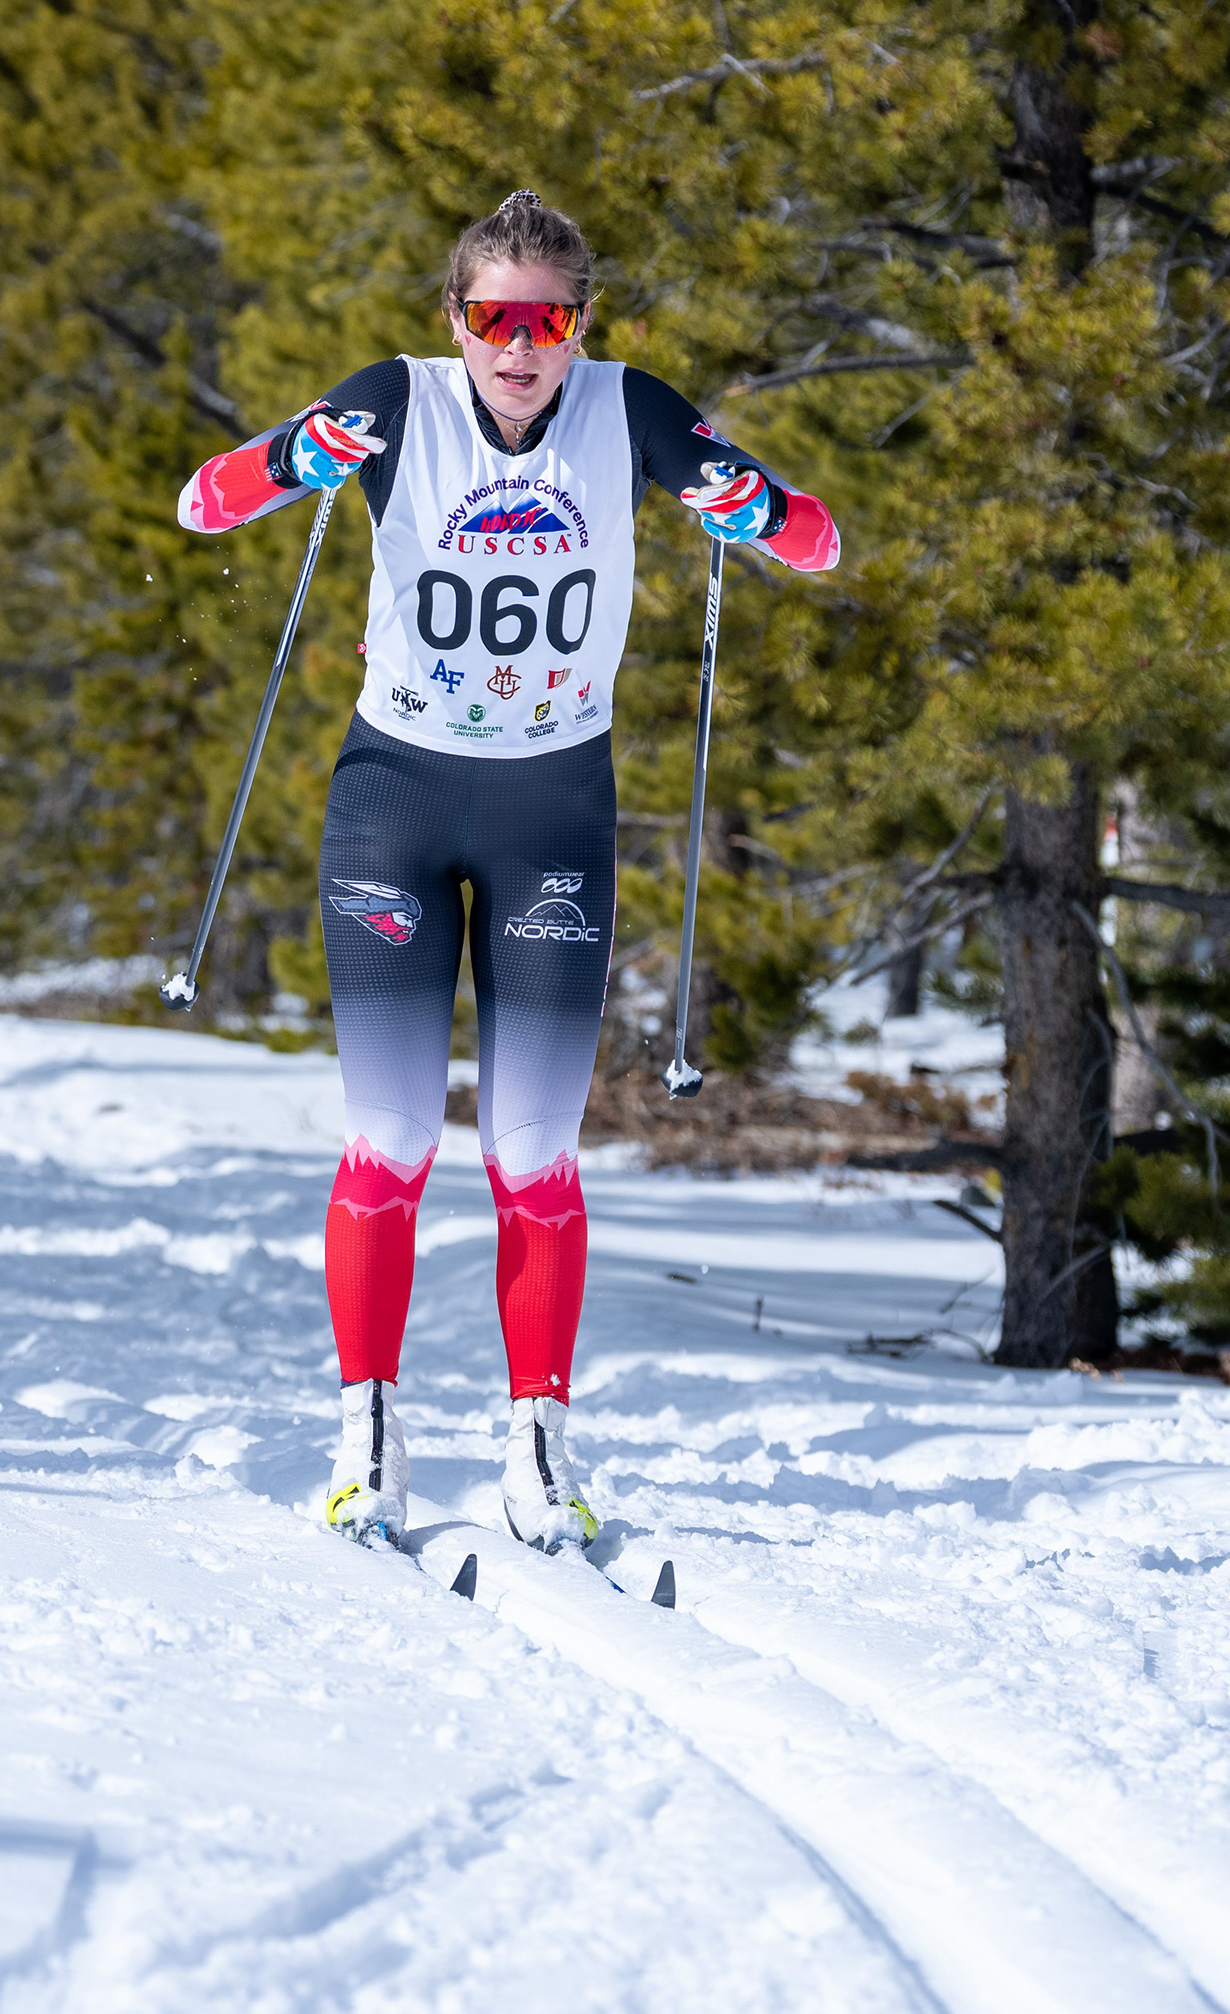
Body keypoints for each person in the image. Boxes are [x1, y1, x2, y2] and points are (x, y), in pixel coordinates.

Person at [172, 192, 839, 1554]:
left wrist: (757, 506)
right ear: (456, 320)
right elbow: (201, 505)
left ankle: (538, 1444)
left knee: (533, 1150)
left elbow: (817, 542)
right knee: (393, 1139)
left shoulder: (629, 411)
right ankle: (367, 1431)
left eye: (547, 319)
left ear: (580, 324)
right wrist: (294, 456)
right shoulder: (398, 401)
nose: (519, 347)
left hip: (552, 810)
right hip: (397, 803)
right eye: (493, 317)